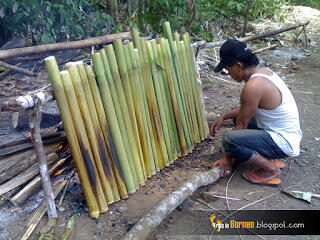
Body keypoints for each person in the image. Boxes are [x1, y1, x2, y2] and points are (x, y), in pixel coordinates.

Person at [210, 39, 302, 186]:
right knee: (236, 122)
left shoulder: (252, 86)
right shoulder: (264, 74)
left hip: (284, 142)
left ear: (238, 65)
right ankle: (268, 157)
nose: (228, 73)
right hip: (288, 136)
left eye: (228, 67)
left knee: (229, 139)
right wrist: (224, 116)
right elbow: (247, 109)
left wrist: (227, 159)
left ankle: (270, 169)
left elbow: (241, 126)